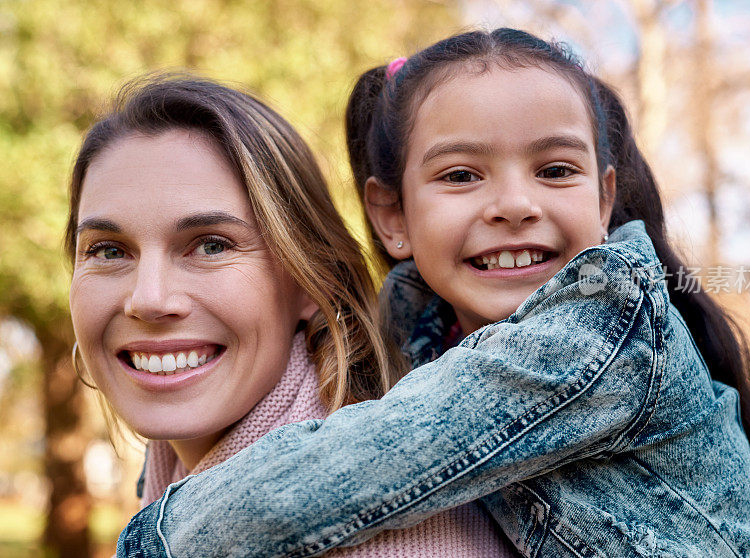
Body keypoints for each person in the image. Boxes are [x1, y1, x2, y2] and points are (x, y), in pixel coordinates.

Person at [118, 30, 750, 557]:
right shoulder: (423, 326)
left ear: (603, 199)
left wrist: (154, 538)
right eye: (462, 175)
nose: (513, 203)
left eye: (555, 169)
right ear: (391, 218)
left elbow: (360, 464)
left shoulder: (597, 328)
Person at [67, 74, 519, 556]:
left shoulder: (389, 541)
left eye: (212, 245)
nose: (148, 299)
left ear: (310, 281)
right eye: (109, 251)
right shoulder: (178, 480)